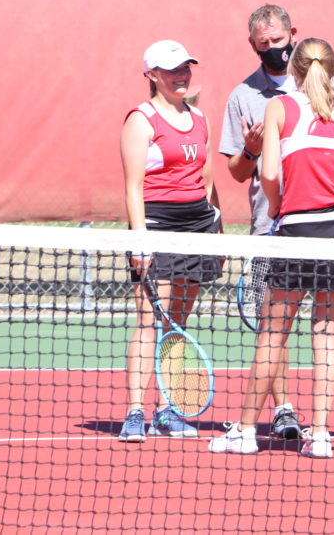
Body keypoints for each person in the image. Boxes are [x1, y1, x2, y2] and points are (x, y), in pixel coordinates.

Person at [218, 5, 334, 443]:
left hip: (319, 222)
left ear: (293, 38)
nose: (272, 52)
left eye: (279, 43)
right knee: (279, 326)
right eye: (263, 46)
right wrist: (252, 151)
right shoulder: (244, 96)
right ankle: (286, 413)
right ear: (253, 46)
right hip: (282, 227)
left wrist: (314, 165)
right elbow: (241, 172)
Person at [117, 40, 222, 442]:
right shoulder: (140, 120)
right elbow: (132, 187)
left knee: (176, 322)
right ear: (152, 75)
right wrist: (140, 240)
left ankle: (167, 411)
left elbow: (208, 179)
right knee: (148, 321)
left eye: (186, 67)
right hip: (156, 224)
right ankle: (135, 413)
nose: (183, 75)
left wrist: (219, 231)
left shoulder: (200, 118)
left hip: (198, 227)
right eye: (173, 69)